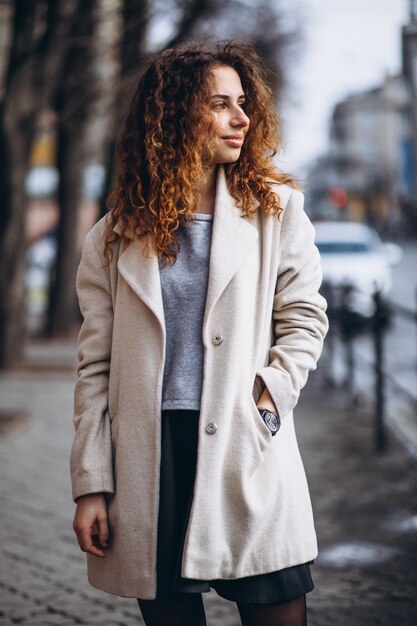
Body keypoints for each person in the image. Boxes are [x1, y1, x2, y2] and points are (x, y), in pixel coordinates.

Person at [70, 42, 328, 626]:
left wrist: (267, 403)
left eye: (244, 104)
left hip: (246, 446)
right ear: (174, 114)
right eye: (220, 105)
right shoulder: (114, 237)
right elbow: (94, 368)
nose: (242, 119)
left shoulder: (276, 211)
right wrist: (91, 483)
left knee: (278, 606)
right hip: (149, 458)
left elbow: (305, 318)